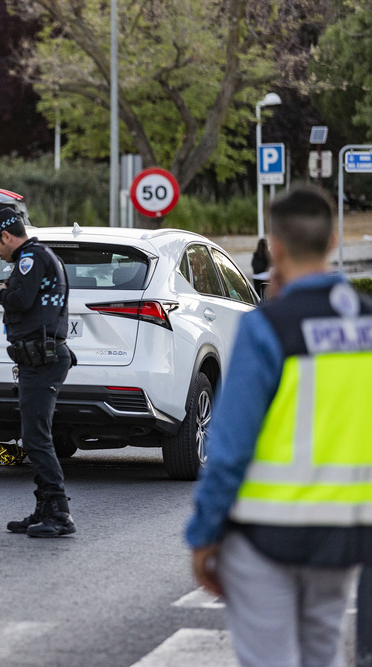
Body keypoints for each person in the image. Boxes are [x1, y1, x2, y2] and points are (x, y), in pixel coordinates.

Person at [186, 185, 372, 667]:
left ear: (277, 247)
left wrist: (204, 533)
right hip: (343, 535)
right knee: (322, 655)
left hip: (265, 535)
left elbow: (229, 447)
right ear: (333, 242)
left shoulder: (267, 326)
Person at [0, 207, 77, 538]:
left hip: (42, 359)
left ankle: (59, 514)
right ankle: (45, 508)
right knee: (34, 436)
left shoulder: (30, 258)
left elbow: (21, 299)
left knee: (37, 438)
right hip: (39, 358)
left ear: (6, 236)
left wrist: (1, 292)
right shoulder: (39, 256)